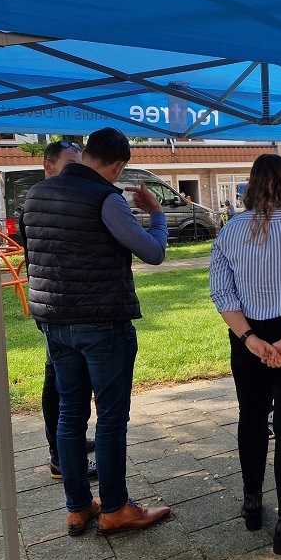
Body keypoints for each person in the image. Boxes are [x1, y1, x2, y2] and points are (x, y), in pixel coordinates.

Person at [22, 127, 171, 537]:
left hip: (55, 321)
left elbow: (34, 252)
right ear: (119, 165)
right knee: (110, 418)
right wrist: (157, 215)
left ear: (85, 153)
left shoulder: (36, 194)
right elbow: (153, 252)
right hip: (102, 322)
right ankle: (117, 508)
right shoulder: (105, 199)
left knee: (70, 413)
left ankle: (78, 507)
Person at [209, 154, 281, 554]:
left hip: (249, 336)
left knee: (252, 418)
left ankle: (252, 503)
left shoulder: (231, 230)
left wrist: (249, 339)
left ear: (251, 184)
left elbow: (221, 293)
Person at [30, 141, 98, 480]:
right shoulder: (43, 199)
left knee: (71, 383)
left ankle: (68, 441)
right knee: (57, 379)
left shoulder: (66, 198)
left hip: (66, 305)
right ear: (48, 166)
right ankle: (59, 455)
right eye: (70, 164)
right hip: (56, 307)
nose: (77, 172)